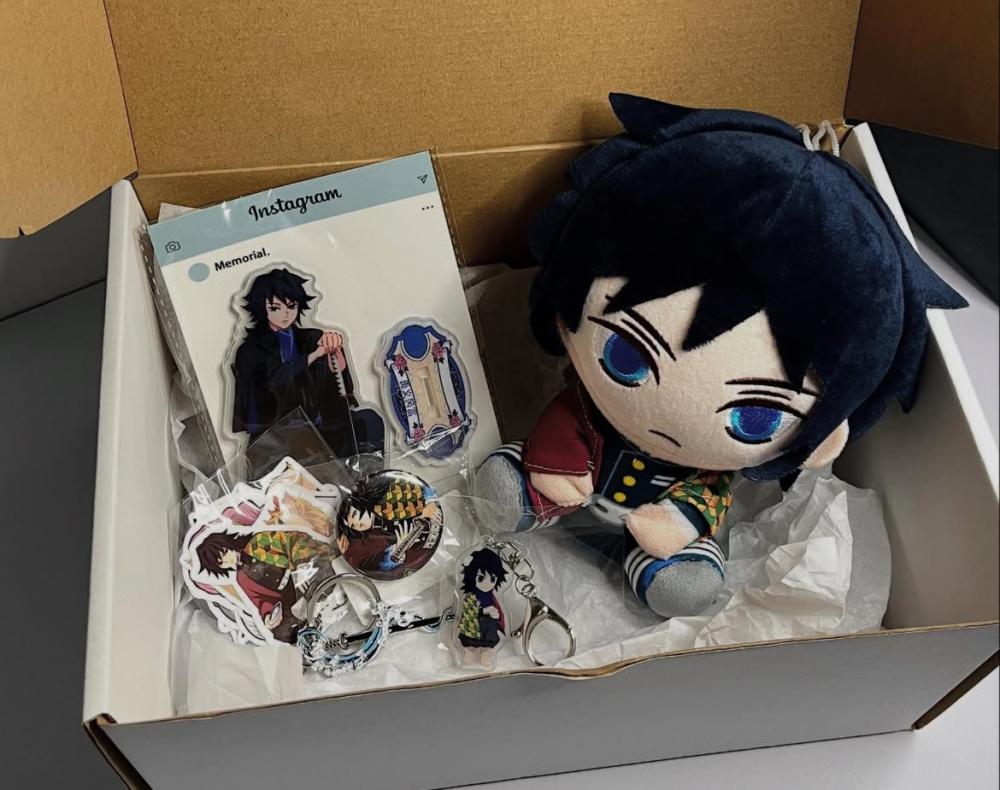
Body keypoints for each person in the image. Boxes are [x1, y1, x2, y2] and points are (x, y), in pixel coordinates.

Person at [478, 94, 966, 619]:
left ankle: (660, 569)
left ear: (824, 439)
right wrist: (554, 466)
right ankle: (529, 494)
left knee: (680, 576)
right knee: (514, 486)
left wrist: (676, 524)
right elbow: (568, 421)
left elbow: (708, 497)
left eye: (753, 417)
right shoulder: (585, 406)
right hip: (576, 484)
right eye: (627, 355)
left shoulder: (710, 474)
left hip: (652, 528)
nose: (668, 413)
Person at [231, 267, 384, 457]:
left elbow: (336, 380)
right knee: (299, 445)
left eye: (291, 306)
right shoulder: (250, 350)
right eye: (275, 308)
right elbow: (272, 381)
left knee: (368, 420)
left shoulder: (311, 337)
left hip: (319, 420)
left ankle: (367, 471)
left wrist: (335, 352)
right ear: (262, 308)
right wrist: (312, 356)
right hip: (278, 430)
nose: (285, 314)